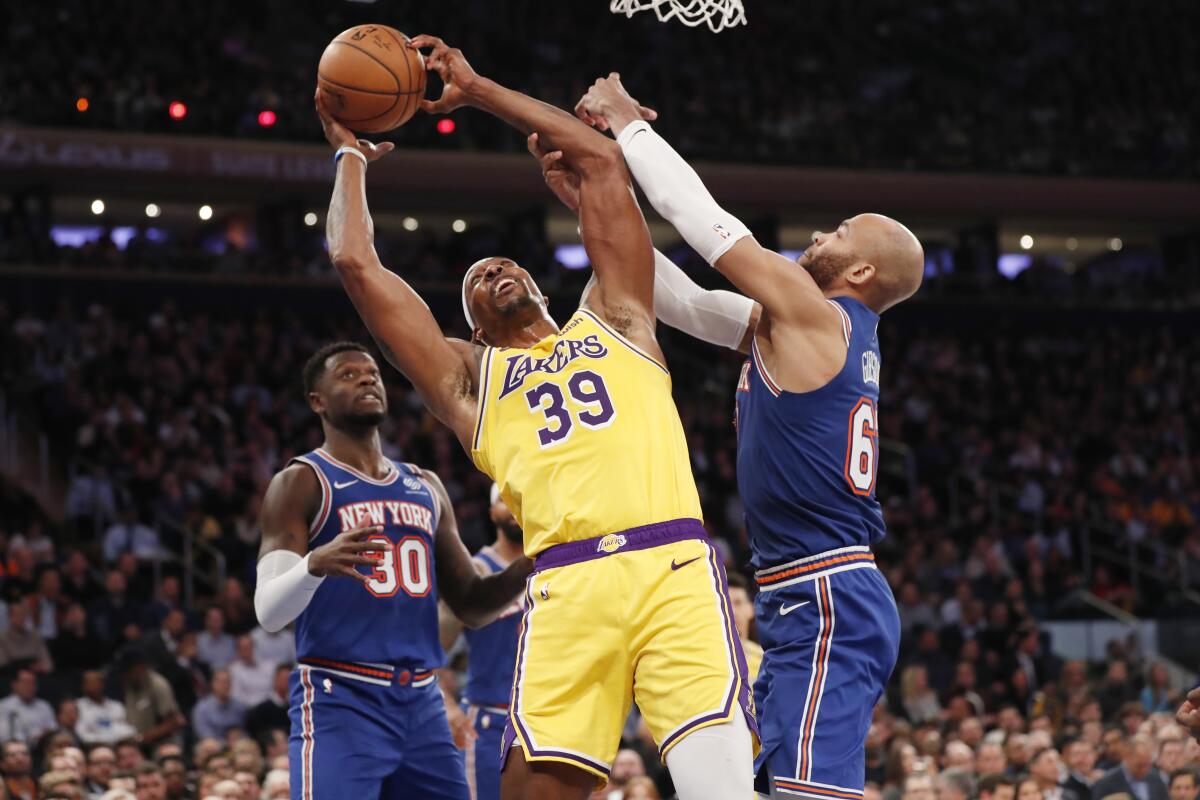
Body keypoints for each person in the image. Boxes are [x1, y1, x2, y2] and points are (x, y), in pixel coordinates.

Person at [317, 35, 757, 800]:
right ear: (473, 328)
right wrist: (350, 155)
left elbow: (600, 161)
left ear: (544, 290)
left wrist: (478, 88)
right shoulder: (472, 380)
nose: (493, 269)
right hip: (564, 588)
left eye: (506, 265)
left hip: (672, 568)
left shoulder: (617, 317)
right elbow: (357, 264)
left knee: (720, 789)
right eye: (476, 280)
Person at [573, 74, 922, 799]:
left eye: (839, 233)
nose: (821, 234)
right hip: (810, 591)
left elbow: (702, 223)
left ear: (860, 270)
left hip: (827, 593)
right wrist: (590, 198)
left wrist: (629, 127)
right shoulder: (797, 329)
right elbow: (686, 301)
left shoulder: (816, 314)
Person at [252, 341, 532, 800]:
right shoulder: (302, 480)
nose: (366, 378)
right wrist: (313, 566)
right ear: (316, 401)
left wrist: (529, 565)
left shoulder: (425, 485)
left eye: (373, 373)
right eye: (347, 374)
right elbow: (268, 611)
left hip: (421, 698)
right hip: (340, 694)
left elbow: (472, 604)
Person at [438, 484, 525, 800]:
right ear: (491, 513)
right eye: (504, 499)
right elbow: (428, 651)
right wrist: (446, 705)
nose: (513, 507)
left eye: (520, 498)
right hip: (490, 721)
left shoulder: (555, 570)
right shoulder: (476, 571)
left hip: (545, 720)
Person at [1091, 734, 1168, 800]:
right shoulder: (1106, 784)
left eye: (1148, 765)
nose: (1145, 770)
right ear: (1126, 756)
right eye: (1140, 766)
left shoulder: (1156, 779)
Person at [77, 671, 137, 747]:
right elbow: (82, 734)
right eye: (89, 683)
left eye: (96, 682)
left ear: (102, 684)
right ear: (83, 686)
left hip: (119, 745)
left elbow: (127, 730)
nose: (93, 686)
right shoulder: (78, 706)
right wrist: (104, 741)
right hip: (92, 747)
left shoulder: (116, 706)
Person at [0, 670, 55, 742]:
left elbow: (54, 728)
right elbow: (5, 735)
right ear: (14, 685)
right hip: (19, 748)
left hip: (45, 747)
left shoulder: (44, 705)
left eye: (33, 683)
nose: (30, 687)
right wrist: (34, 737)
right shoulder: (4, 706)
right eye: (26, 683)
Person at [190, 671, 246, 742]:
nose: (224, 685)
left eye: (227, 682)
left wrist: (239, 736)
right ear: (213, 684)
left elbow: (245, 731)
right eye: (221, 682)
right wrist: (226, 742)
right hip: (214, 746)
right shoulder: (202, 709)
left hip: (237, 745)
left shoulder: (240, 707)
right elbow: (205, 735)